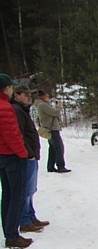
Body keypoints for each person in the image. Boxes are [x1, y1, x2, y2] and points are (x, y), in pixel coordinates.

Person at [0, 73, 32, 249]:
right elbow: (12, 135)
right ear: (6, 88)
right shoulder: (5, 107)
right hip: (12, 156)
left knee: (7, 195)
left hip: (2, 156)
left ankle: (8, 231)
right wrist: (23, 153)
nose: (13, 89)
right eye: (11, 87)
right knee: (17, 196)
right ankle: (12, 235)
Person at [12, 84, 49, 234]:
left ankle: (31, 217)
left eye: (29, 95)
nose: (28, 97)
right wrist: (28, 152)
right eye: (25, 95)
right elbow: (19, 134)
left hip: (31, 154)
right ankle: (25, 221)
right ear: (16, 95)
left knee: (31, 190)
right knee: (26, 190)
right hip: (26, 156)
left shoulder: (22, 110)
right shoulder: (17, 110)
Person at [35, 89, 71, 173]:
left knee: (53, 148)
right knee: (59, 148)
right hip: (51, 129)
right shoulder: (42, 105)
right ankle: (60, 166)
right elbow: (55, 112)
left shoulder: (42, 104)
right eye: (47, 96)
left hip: (49, 128)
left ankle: (51, 166)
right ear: (43, 97)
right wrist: (59, 106)